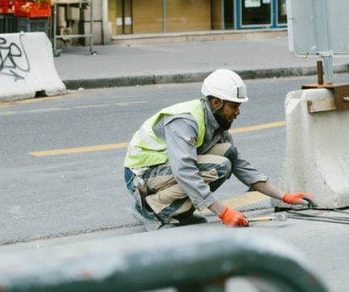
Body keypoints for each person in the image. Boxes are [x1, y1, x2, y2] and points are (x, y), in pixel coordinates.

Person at [123, 69, 313, 230]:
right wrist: (222, 212)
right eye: (234, 106)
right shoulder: (185, 121)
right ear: (216, 103)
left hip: (162, 171)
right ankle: (152, 209)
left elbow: (239, 164)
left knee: (228, 153)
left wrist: (283, 196)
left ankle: (180, 212)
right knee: (219, 167)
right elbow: (185, 171)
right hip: (142, 177)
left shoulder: (215, 122)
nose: (238, 112)